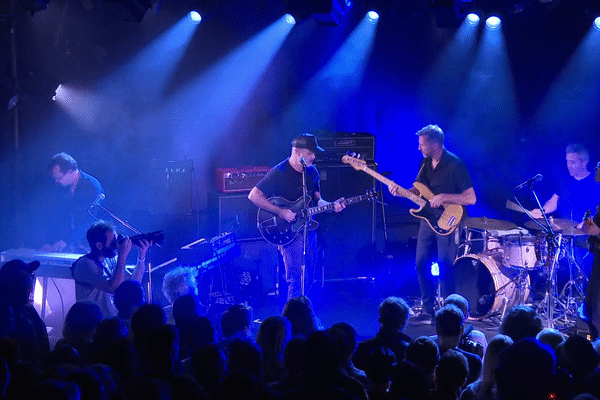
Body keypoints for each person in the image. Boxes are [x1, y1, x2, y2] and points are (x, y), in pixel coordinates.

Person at [389, 125, 476, 323]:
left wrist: (444, 196)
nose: (419, 148)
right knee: (421, 262)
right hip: (428, 220)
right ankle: (427, 308)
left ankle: (449, 312)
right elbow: (418, 190)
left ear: (435, 144)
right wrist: (400, 190)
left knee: (445, 266)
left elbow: (471, 198)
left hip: (449, 219)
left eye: (422, 145)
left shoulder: (455, 164)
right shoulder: (425, 163)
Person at [248, 133, 345, 300]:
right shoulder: (279, 172)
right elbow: (254, 195)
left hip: (308, 229)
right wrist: (280, 211)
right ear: (298, 152)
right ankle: (293, 319)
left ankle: (303, 312)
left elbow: (317, 200)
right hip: (287, 231)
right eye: (311, 153)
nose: (314, 156)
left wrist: (332, 206)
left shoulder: (312, 172)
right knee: (295, 279)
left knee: (309, 277)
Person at [71, 220, 151, 317]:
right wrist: (122, 255)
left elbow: (133, 284)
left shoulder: (110, 260)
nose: (116, 245)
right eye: (113, 242)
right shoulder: (85, 264)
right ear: (99, 245)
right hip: (92, 323)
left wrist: (141, 257)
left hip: (110, 321)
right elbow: (113, 288)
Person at [44, 152, 105, 253]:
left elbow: (90, 220)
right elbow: (59, 215)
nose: (56, 181)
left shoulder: (92, 187)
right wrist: (49, 241)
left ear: (70, 171)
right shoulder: (63, 188)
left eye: (59, 178)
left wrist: (67, 241)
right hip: (73, 243)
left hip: (94, 242)